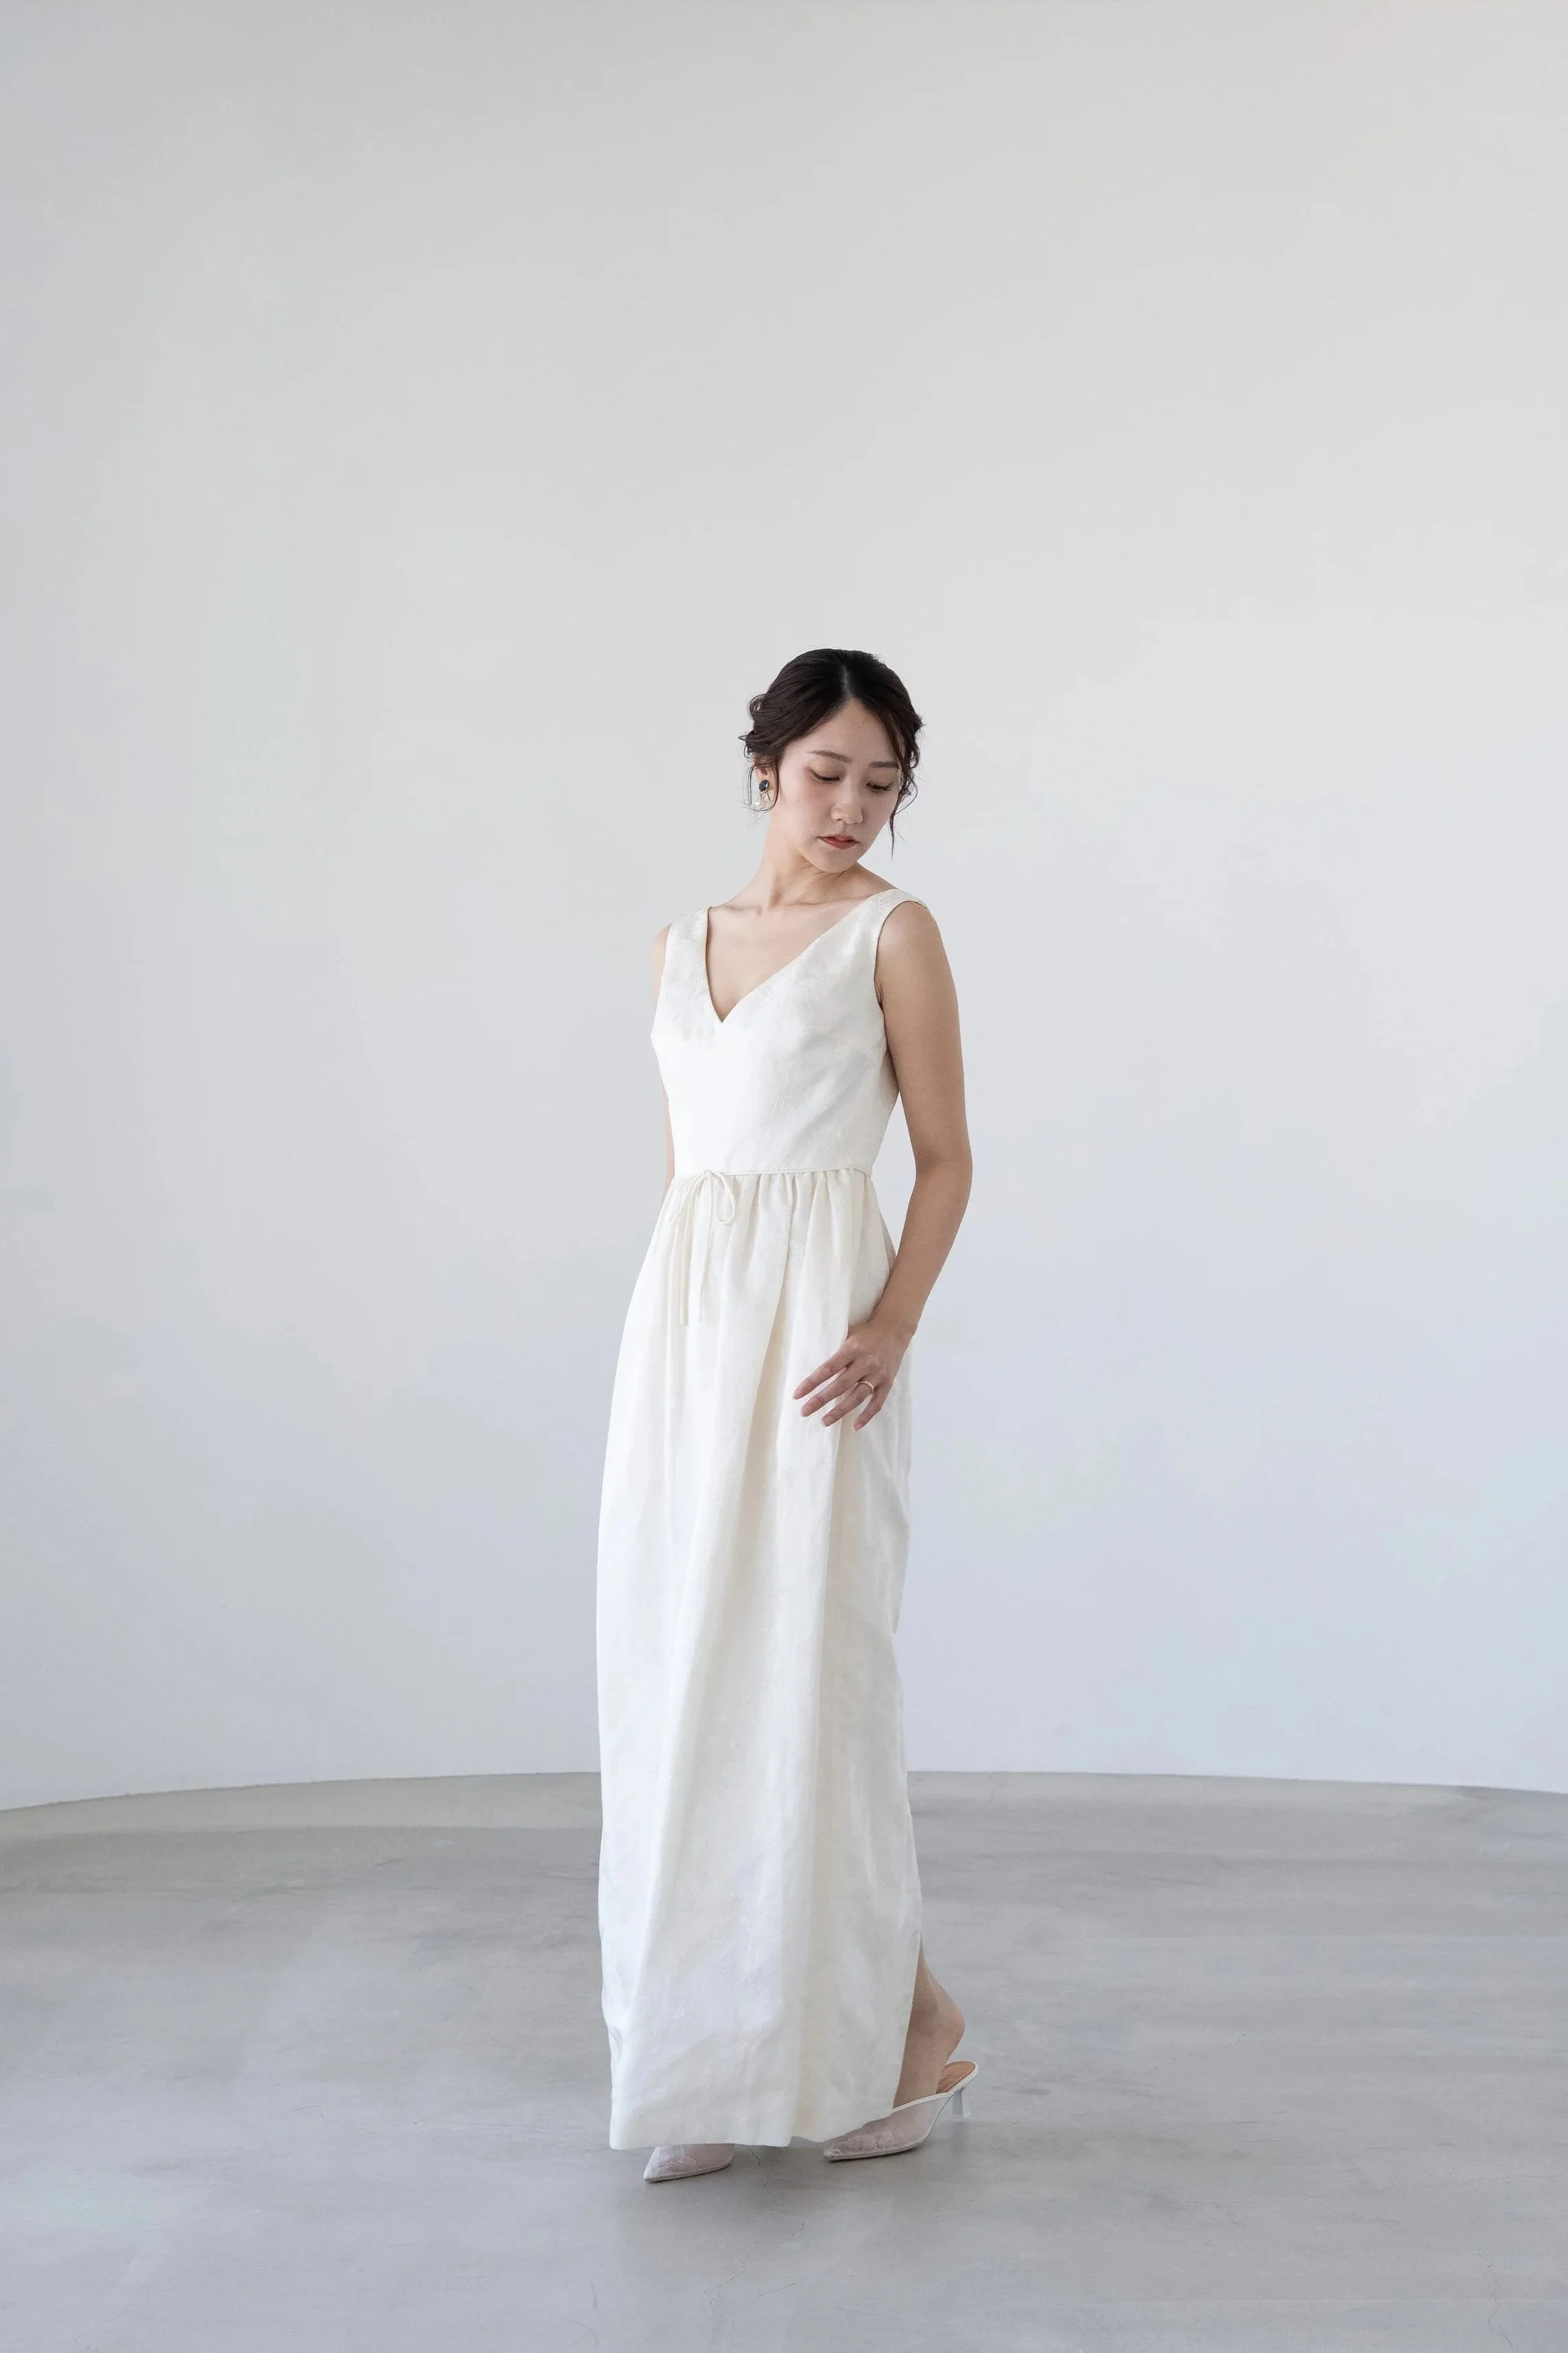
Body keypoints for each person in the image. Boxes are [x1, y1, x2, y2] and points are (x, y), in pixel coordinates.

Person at [595, 647, 976, 2181]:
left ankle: (907, 2033)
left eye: (881, 783)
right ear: (765, 768)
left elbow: (945, 1157)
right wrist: (677, 1348)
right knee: (680, 1679)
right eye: (826, 773)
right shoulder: (678, 943)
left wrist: (890, 1325)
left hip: (827, 1342)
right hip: (688, 1342)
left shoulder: (894, 931)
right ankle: (700, 2063)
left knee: (816, 1686)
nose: (851, 807)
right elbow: (690, 1175)